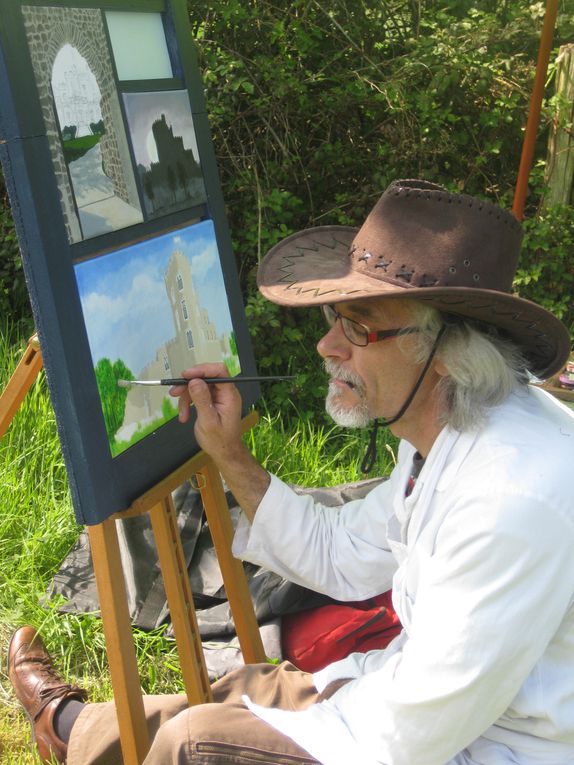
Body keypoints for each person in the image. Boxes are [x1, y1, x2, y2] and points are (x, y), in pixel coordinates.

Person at [8, 178, 574, 765]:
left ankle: (86, 732)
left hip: (477, 747)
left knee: (193, 744)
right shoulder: (449, 424)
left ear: (447, 350)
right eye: (335, 318)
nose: (328, 345)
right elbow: (345, 553)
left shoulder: (513, 499)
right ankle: (68, 726)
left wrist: (294, 716)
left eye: (359, 324)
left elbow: (410, 734)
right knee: (240, 691)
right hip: (425, 708)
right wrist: (230, 454)